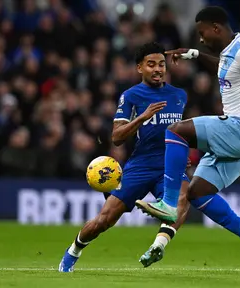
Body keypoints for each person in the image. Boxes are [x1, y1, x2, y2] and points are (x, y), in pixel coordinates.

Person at [136, 7, 240, 276]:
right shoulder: (231, 54)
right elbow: (223, 68)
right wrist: (194, 55)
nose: (202, 38)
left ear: (216, 27)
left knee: (175, 130)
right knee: (198, 193)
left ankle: (168, 204)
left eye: (202, 33)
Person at [59, 42, 192, 272]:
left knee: (183, 200)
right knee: (105, 219)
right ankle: (73, 251)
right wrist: (143, 117)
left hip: (169, 165)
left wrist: (183, 150)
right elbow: (117, 137)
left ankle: (157, 246)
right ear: (140, 67)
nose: (158, 69)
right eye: (151, 64)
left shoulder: (179, 95)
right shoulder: (131, 95)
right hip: (140, 165)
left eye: (161, 64)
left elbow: (181, 129)